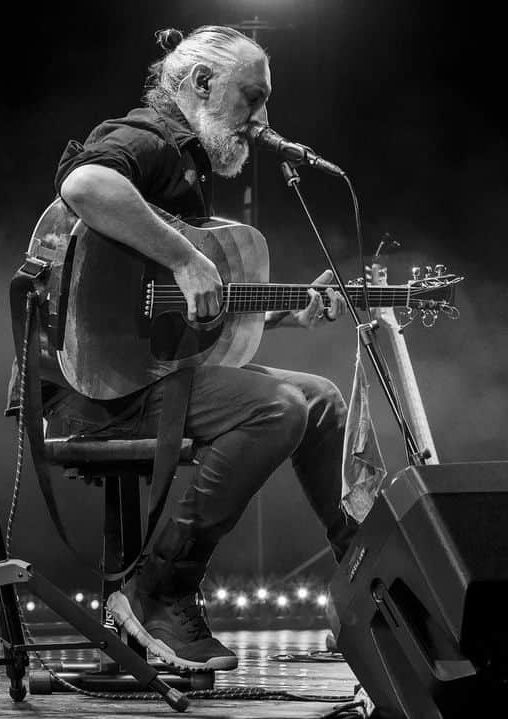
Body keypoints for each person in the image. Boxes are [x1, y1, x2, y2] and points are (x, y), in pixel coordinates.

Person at [29, 25, 357, 671]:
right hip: (95, 392)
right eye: (251, 98)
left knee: (318, 398)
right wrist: (184, 258)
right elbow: (87, 186)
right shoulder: (149, 140)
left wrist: (289, 312)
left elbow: (168, 307)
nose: (261, 120)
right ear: (201, 83)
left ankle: (365, 571)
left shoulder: (186, 163)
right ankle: (156, 590)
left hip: (144, 376)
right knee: (274, 407)